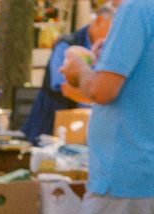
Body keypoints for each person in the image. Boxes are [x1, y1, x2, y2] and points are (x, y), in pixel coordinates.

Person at [64, 0, 154, 214]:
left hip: (122, 173)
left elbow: (103, 91)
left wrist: (80, 71)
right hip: (144, 172)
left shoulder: (136, 8)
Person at [22, 5, 114, 142]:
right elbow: (66, 89)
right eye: (113, 28)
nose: (115, 34)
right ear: (99, 21)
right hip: (50, 126)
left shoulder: (104, 50)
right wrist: (101, 98)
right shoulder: (67, 45)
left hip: (82, 129)